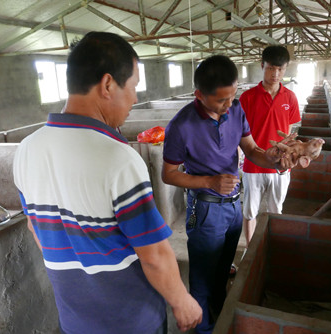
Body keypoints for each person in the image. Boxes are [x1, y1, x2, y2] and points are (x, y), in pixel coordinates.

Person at [13, 32, 202, 334]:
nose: (136, 98)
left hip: (73, 320)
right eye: (134, 86)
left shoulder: (26, 150)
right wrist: (182, 301)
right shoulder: (119, 159)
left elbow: (35, 228)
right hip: (130, 321)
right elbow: (154, 256)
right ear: (108, 84)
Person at [162, 55, 295, 334]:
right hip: (206, 208)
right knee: (201, 276)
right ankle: (204, 328)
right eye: (221, 100)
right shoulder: (181, 125)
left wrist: (276, 160)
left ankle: (220, 313)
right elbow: (169, 174)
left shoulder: (236, 111)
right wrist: (209, 181)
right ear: (199, 95)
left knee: (223, 268)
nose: (229, 105)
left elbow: (252, 150)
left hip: (235, 204)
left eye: (233, 96)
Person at [239, 45, 301, 245]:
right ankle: (250, 249)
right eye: (271, 68)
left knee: (276, 210)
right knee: (250, 211)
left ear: (286, 69)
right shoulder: (247, 97)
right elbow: (239, 132)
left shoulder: (290, 97)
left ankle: (274, 247)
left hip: (280, 166)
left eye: (280, 69)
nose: (275, 74)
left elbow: (289, 130)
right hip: (253, 164)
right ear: (262, 65)